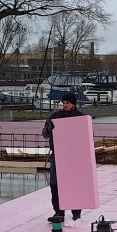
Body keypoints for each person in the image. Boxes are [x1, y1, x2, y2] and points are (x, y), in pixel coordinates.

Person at [42, 91, 86, 224]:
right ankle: (59, 211)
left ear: (73, 104)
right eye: (64, 103)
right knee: (55, 183)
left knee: (75, 183)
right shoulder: (55, 117)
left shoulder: (81, 117)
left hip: (74, 155)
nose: (65, 105)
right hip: (58, 153)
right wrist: (49, 129)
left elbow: (87, 134)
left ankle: (76, 211)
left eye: (67, 103)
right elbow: (45, 133)